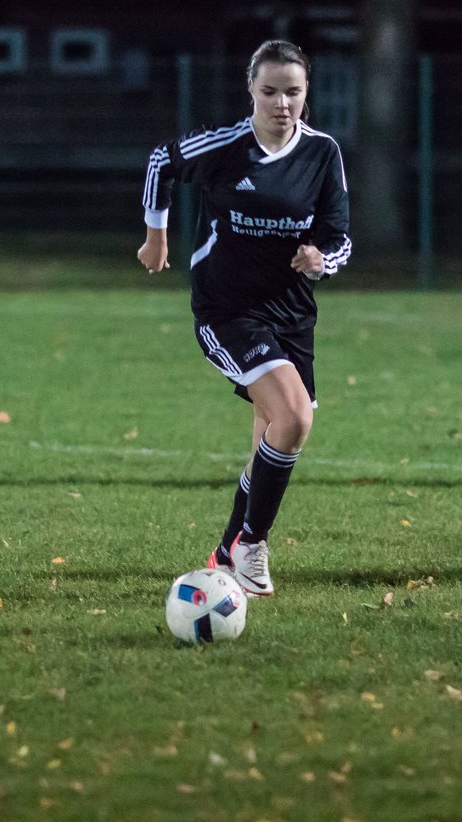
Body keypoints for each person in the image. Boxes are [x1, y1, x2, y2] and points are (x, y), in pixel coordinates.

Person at [137, 39, 351, 595]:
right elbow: (162, 161)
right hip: (228, 310)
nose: (282, 103)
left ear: (307, 95)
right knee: (296, 419)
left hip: (293, 316)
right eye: (271, 91)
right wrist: (155, 236)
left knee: (274, 436)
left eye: (294, 92)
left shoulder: (322, 153)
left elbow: (340, 238)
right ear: (251, 91)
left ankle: (228, 548)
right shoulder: (228, 146)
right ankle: (251, 543)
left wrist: (320, 259)